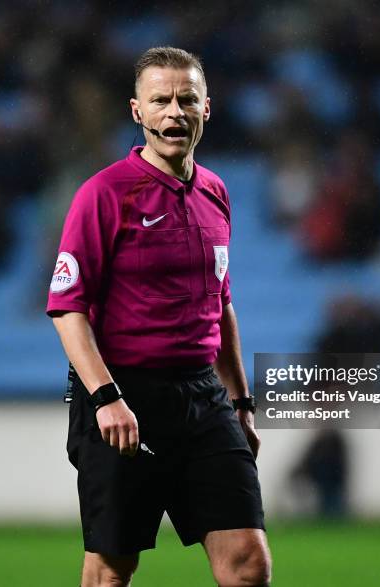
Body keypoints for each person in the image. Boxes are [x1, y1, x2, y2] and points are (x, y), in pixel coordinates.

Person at [47, 46, 271, 587]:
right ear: (137, 111)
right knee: (112, 568)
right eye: (161, 100)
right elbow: (67, 307)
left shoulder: (215, 193)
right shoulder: (103, 195)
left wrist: (240, 402)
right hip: (125, 396)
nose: (175, 111)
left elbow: (220, 303)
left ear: (206, 109)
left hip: (203, 399)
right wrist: (106, 398)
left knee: (248, 562)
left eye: (186, 99)